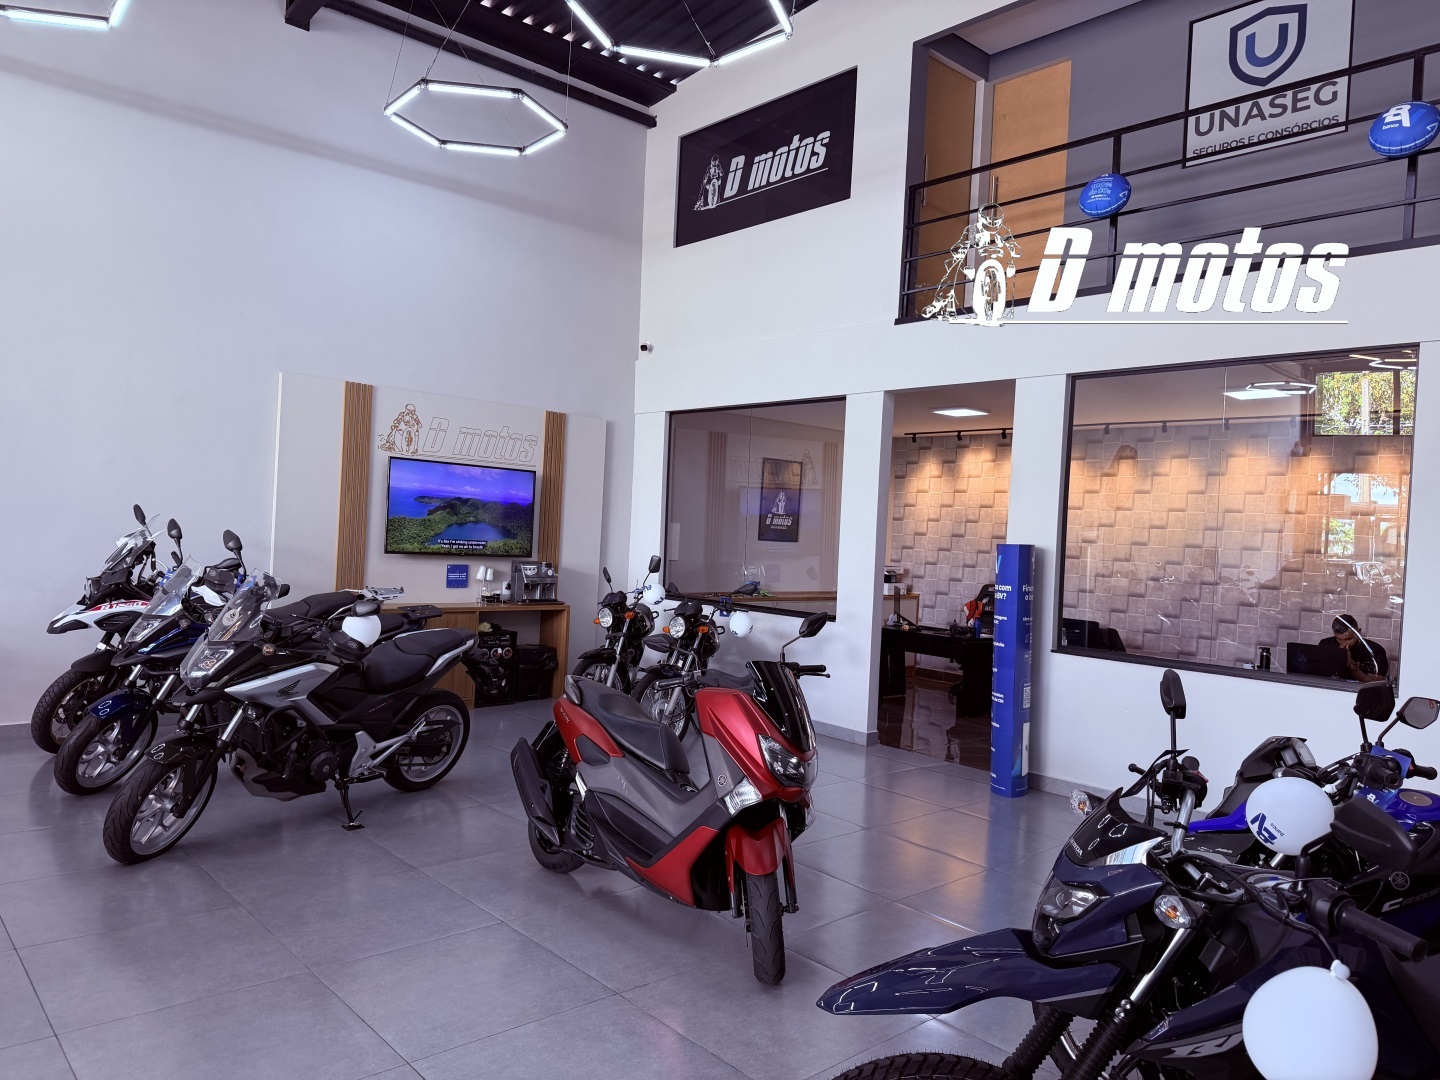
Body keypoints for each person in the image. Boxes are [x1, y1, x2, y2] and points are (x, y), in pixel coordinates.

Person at [1318, 614, 1390, 682]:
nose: (1343, 644)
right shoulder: (1325, 645)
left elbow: (1374, 683)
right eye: (1338, 639)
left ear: (1358, 632)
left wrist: (1350, 663)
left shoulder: (1375, 651)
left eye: (1348, 639)